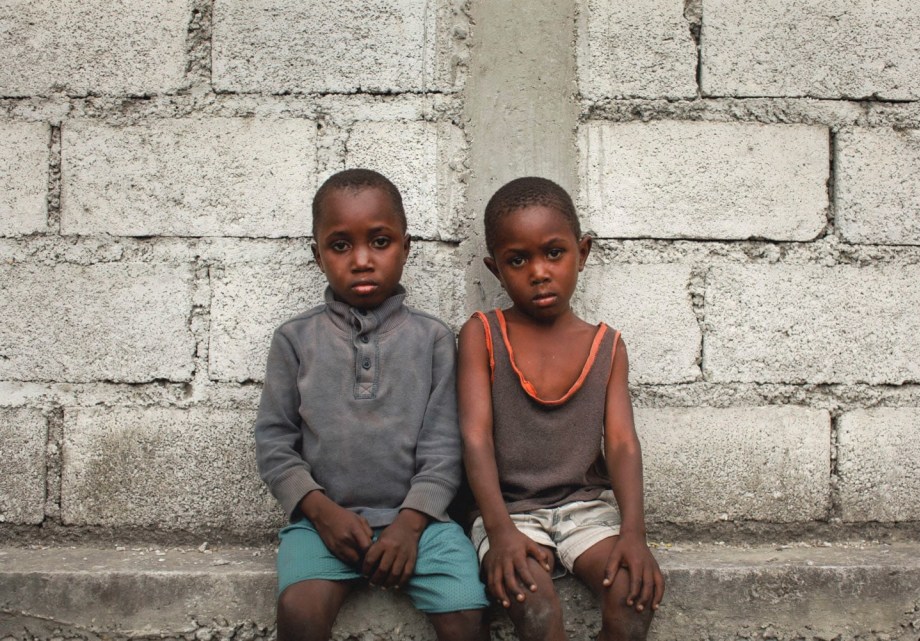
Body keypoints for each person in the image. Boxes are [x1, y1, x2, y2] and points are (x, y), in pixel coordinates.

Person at [255, 168, 488, 641]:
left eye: (379, 242)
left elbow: (445, 448)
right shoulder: (295, 340)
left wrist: (410, 523)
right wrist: (320, 511)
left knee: (465, 613)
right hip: (323, 523)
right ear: (317, 254)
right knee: (299, 612)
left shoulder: (434, 339)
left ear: (406, 247)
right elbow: (275, 444)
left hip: (424, 526)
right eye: (341, 246)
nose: (362, 260)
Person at [457, 176, 665, 641]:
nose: (538, 271)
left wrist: (634, 533)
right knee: (533, 603)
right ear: (496, 270)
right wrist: (499, 530)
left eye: (554, 253)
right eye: (518, 260)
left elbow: (624, 443)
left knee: (633, 595)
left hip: (585, 508)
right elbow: (474, 437)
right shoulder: (482, 334)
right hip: (508, 511)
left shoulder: (606, 345)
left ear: (583, 252)